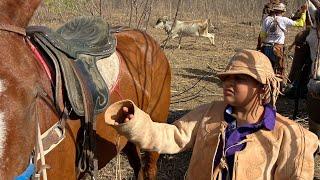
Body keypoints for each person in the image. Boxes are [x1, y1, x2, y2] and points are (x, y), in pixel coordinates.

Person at [104, 49, 319, 179]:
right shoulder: (209, 114)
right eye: (226, 79)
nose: (229, 84)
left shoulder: (290, 136)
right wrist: (136, 123)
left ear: (263, 87)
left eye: (239, 79)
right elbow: (171, 136)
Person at [258, 2, 306, 87]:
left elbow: (262, 35)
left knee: (268, 68)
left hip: (266, 48)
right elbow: (300, 23)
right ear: (282, 11)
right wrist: (304, 12)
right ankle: (279, 87)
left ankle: (265, 85)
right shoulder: (284, 20)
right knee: (280, 69)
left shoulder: (267, 19)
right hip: (277, 48)